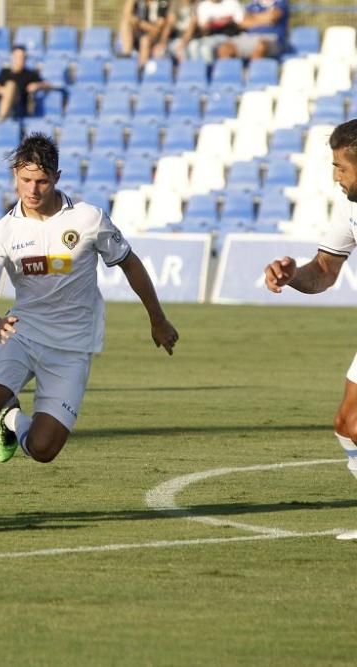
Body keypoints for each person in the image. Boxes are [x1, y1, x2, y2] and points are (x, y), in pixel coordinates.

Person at [0, 133, 179, 522]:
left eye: (41, 181)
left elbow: (130, 263)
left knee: (43, 448)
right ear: (14, 177)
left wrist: (157, 318)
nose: (32, 189)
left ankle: (12, 419)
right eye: (25, 180)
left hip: (72, 348)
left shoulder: (88, 219)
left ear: (56, 176)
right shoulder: (3, 231)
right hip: (21, 334)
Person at [263, 118, 357, 541]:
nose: (336, 177)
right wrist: (290, 274)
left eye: (342, 167)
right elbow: (323, 270)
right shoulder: (350, 207)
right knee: (347, 424)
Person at [0, 45, 54, 123]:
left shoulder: (30, 74)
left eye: (23, 57)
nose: (20, 59)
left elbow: (48, 85)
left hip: (16, 108)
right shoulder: (5, 72)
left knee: (11, 85)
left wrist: (38, 86)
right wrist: (3, 91)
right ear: (12, 57)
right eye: (18, 57)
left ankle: (1, 119)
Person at [215, 0, 288, 60]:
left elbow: (273, 17)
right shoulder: (252, 5)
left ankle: (252, 74)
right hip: (249, 37)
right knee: (224, 48)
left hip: (273, 39)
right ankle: (231, 76)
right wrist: (265, 18)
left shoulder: (280, 2)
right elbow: (242, 23)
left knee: (261, 46)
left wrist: (252, 17)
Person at [174, 0, 243, 63]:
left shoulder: (232, 3)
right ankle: (196, 71)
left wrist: (226, 21)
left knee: (205, 48)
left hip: (228, 35)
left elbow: (240, 22)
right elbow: (203, 27)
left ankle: (209, 72)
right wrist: (213, 23)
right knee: (193, 45)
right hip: (210, 36)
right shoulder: (203, 5)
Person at [119, 0, 175, 67]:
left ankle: (141, 69)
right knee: (125, 23)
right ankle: (126, 56)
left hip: (153, 39)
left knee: (144, 40)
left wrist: (139, 23)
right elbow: (126, 15)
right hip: (137, 34)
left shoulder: (162, 3)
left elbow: (157, 29)